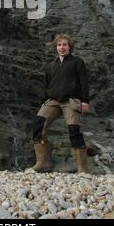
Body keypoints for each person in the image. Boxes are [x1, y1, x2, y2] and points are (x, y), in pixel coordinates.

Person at [31, 33, 90, 173]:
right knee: (38, 126)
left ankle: (82, 169)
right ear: (56, 47)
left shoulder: (77, 62)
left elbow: (84, 82)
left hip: (71, 100)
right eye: (59, 45)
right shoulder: (51, 65)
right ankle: (43, 163)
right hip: (52, 100)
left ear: (69, 47)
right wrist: (43, 101)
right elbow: (46, 85)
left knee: (74, 131)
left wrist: (85, 101)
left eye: (64, 44)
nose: (61, 47)